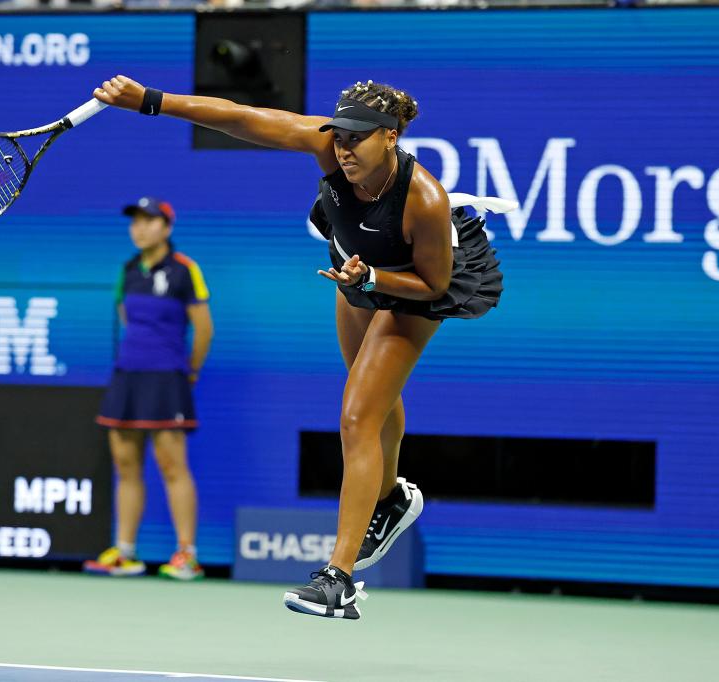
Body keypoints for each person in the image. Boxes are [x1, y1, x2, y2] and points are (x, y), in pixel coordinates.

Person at [93, 77, 506, 618]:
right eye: (340, 136)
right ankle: (391, 499)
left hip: (411, 280)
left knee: (357, 416)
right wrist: (152, 101)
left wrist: (375, 278)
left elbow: (432, 286)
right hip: (356, 268)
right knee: (370, 392)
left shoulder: (424, 200)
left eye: (358, 138)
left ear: (390, 136)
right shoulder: (326, 145)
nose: (344, 147)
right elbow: (239, 115)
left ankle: (340, 578)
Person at [83, 196, 214, 581]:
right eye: (135, 222)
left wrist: (189, 369)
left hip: (167, 378)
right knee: (126, 465)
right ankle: (125, 552)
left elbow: (203, 328)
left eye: (148, 221)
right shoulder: (128, 270)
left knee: (173, 466)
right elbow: (126, 318)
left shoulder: (185, 270)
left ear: (166, 228)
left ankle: (186, 555)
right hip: (127, 376)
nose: (139, 228)